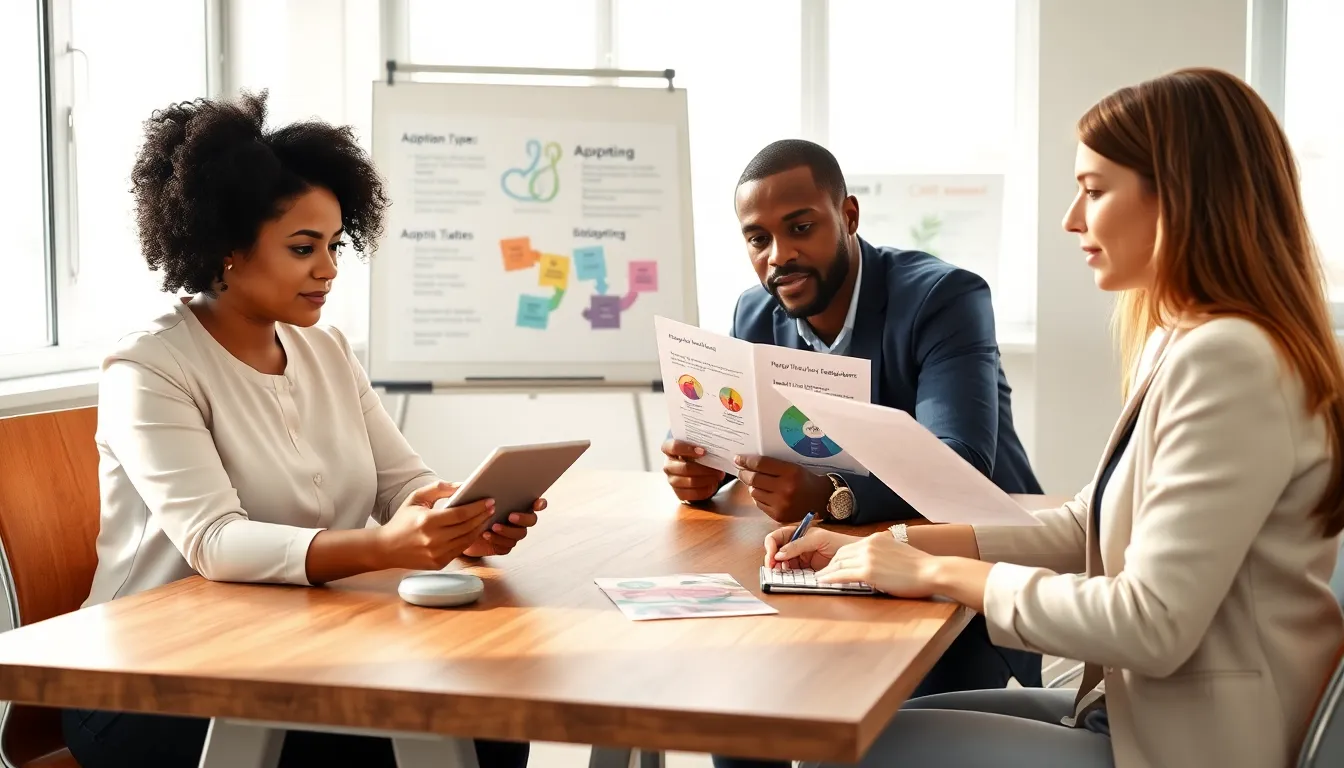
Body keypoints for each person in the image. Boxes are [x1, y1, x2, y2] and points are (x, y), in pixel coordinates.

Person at [768, 67, 1344, 768]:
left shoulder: (1231, 359)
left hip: (1200, 743)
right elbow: (1084, 525)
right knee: (857, 732)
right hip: (1135, 708)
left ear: (1180, 198)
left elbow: (1151, 623)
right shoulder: (1187, 338)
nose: (1073, 218)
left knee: (851, 752)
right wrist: (887, 543)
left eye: (1095, 191)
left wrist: (936, 575)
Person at [62, 92, 533, 768]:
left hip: (297, 649)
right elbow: (216, 542)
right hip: (145, 679)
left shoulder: (327, 348)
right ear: (226, 246)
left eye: (335, 245)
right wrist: (388, 548)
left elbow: (404, 485)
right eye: (303, 248)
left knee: (489, 714)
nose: (330, 269)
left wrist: (461, 517)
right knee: (393, 741)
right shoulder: (149, 366)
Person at [662, 139, 1044, 768]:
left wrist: (832, 495)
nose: (778, 256)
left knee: (870, 740)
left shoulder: (943, 297)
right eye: (757, 239)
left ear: (850, 216)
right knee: (739, 719)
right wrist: (709, 472)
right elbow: (757, 449)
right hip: (818, 575)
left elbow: (959, 461)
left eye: (801, 228)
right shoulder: (755, 311)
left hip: (948, 587)